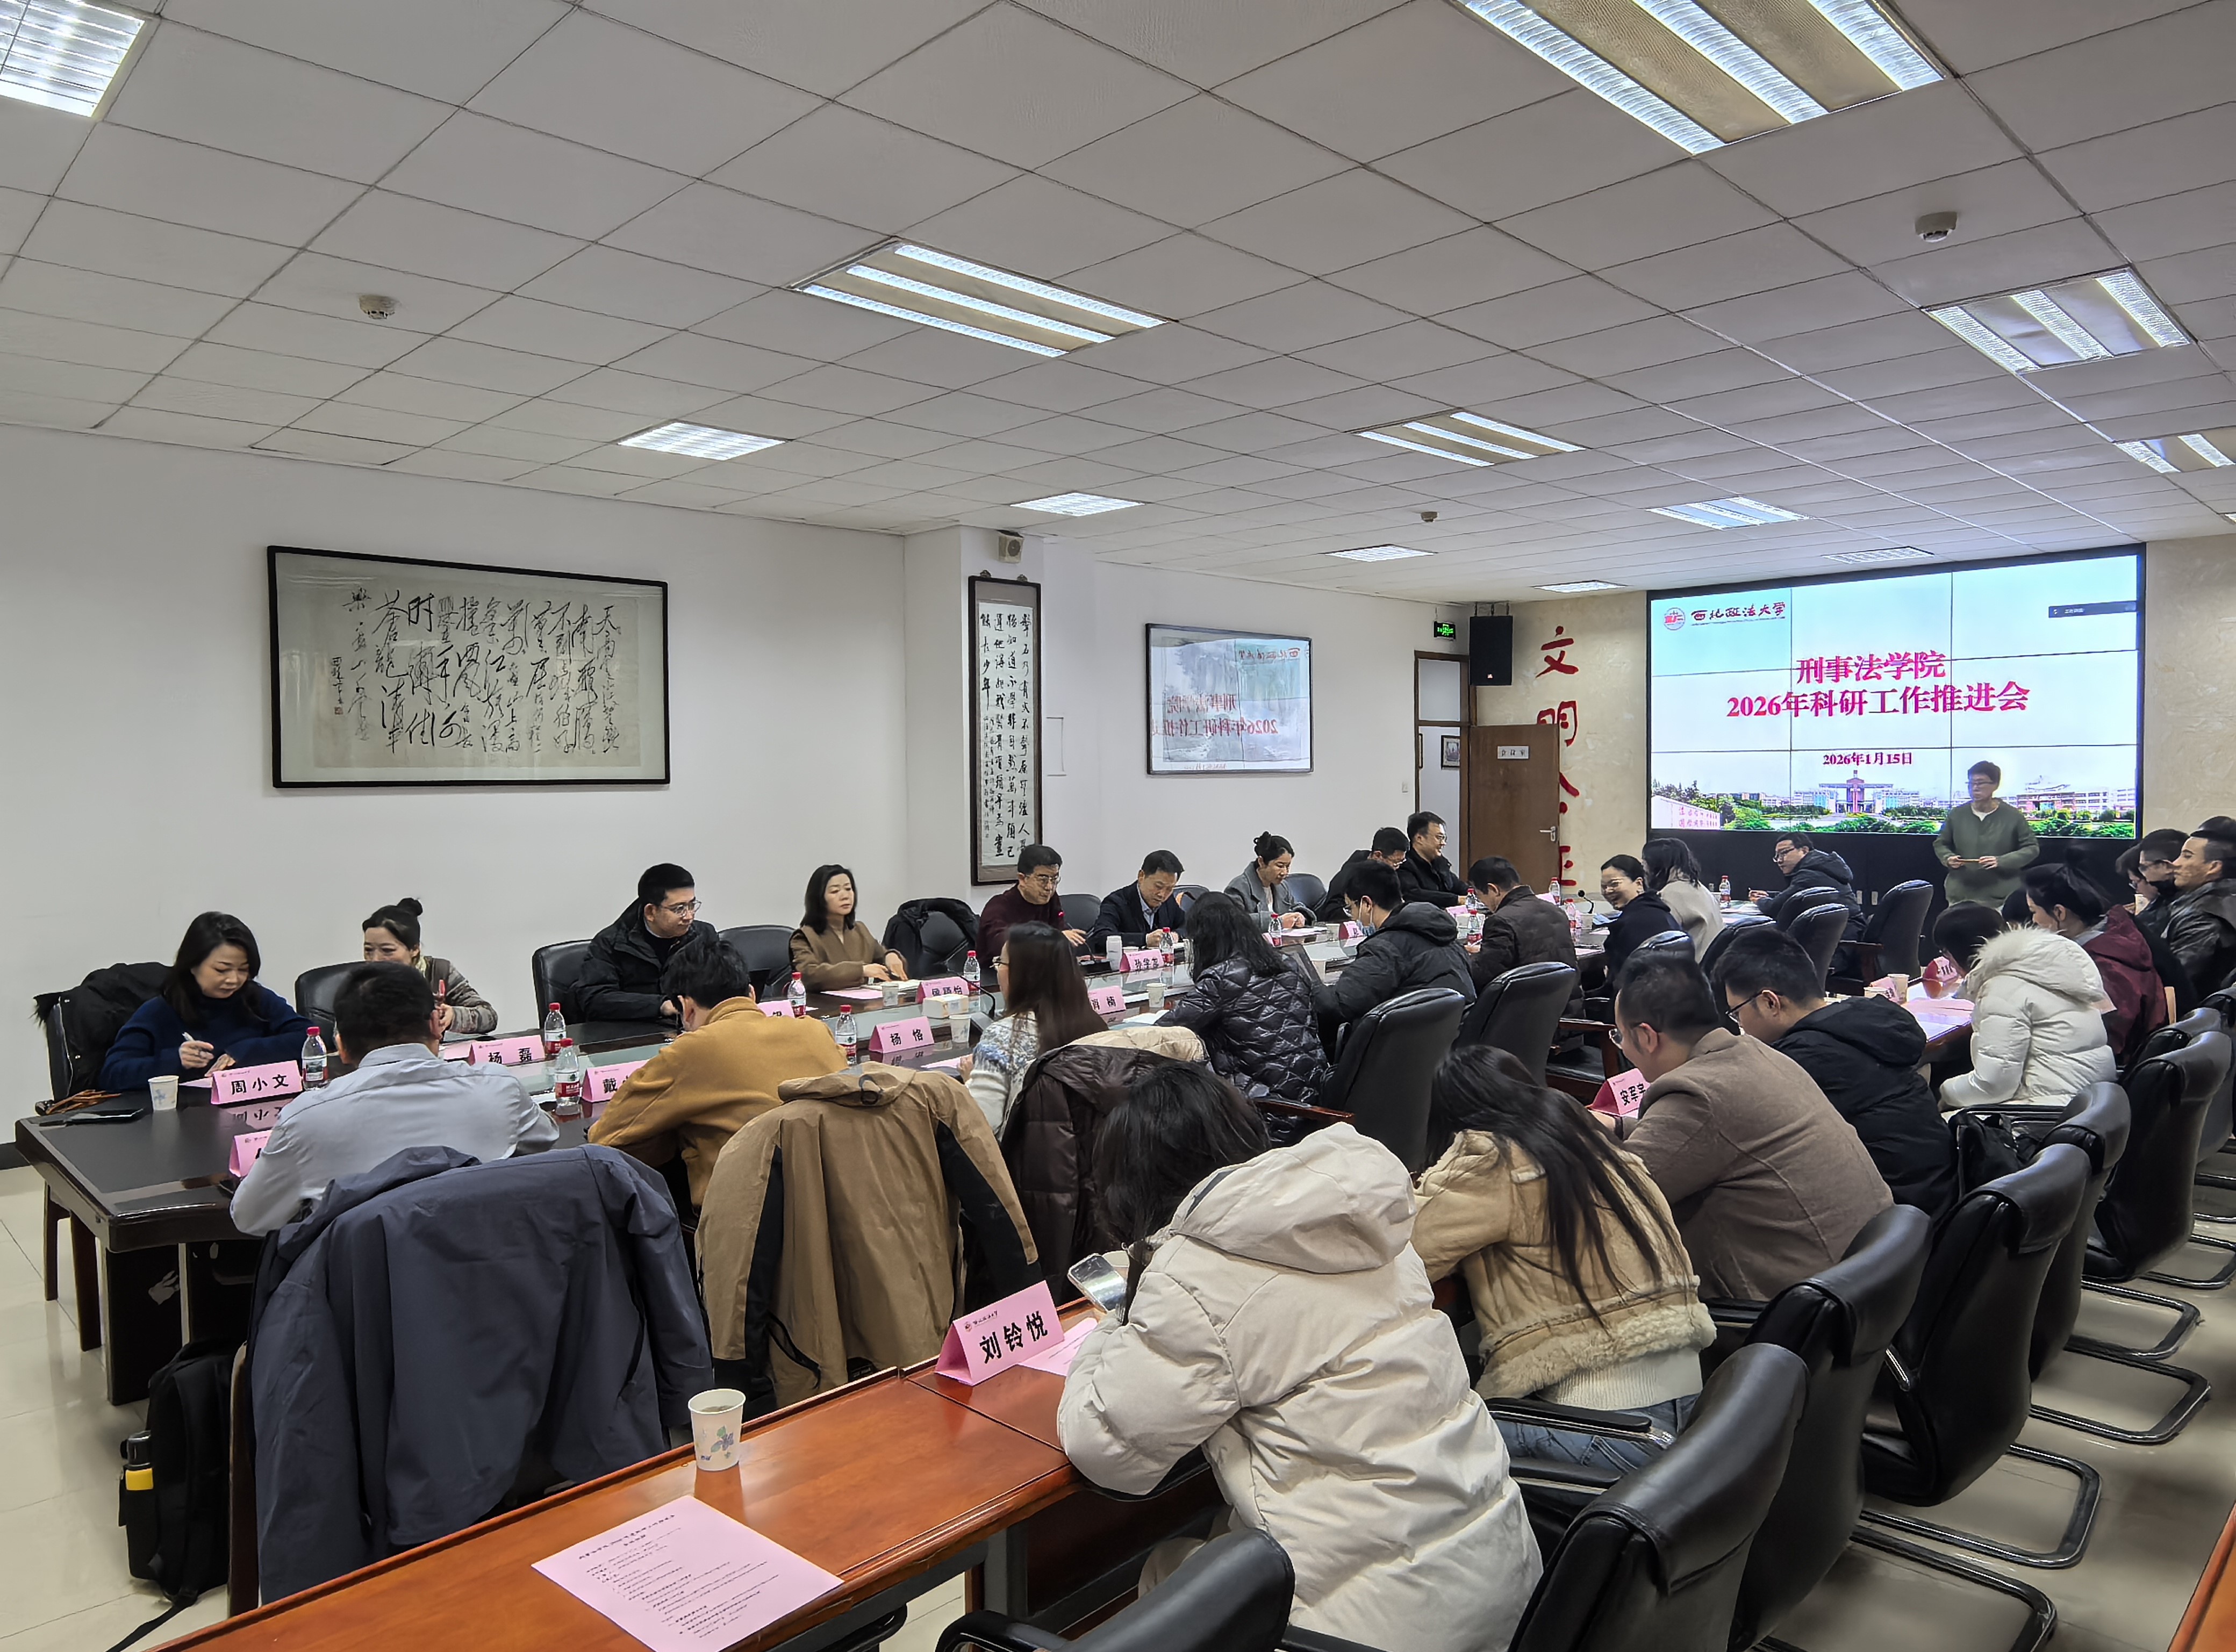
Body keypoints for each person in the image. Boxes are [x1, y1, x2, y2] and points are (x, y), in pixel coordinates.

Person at [1058, 1064, 1542, 1652]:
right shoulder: (1369, 1223)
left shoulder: (1196, 1274)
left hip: (1373, 1633)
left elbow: (1106, 1448)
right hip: (1506, 1584)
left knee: (1166, 1574)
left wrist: (1110, 1327)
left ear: (1128, 1185)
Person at [1413, 1047, 1713, 1471]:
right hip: (1688, 1413)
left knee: (1411, 1435)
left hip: (1608, 1428)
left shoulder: (1493, 1157)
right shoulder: (1600, 1147)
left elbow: (1406, 1249)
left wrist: (1439, 1170)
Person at [1612, 954, 1891, 1302]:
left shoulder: (1696, 1094)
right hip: (1865, 1281)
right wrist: (1618, 1126)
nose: (1622, 1046)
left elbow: (1612, 1197)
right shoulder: (1755, 1053)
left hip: (1791, 1313)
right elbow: (1702, 1140)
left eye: (1619, 1036)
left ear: (1646, 1037)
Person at [229, 963, 558, 1236]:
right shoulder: (497, 1089)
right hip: (487, 1280)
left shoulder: (306, 1120)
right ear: (436, 1025)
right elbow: (544, 1139)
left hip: (363, 1291)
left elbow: (250, 1218)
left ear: (341, 1047)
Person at [1712, 927, 1956, 1218]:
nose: (1739, 1024)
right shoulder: (1865, 1020)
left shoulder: (1795, 1062)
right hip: (1942, 1193)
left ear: (1770, 1003)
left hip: (1890, 1218)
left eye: (1737, 1012)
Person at [589, 936, 845, 1208]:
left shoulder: (691, 1051)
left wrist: (678, 1136)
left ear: (686, 1008)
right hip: (835, 1202)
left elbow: (606, 1137)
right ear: (752, 994)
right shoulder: (816, 1031)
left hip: (746, 1217)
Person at [1932, 903, 2117, 1109]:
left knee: (1933, 1120)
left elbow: (1993, 1086)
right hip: (2092, 1103)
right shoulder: (2043, 965)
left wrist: (1944, 1092)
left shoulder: (2003, 990)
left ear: (1956, 953)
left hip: (2046, 1111)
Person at [102, 912, 314, 1090]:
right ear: (193, 965)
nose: (234, 980)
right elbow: (112, 1074)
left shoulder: (255, 998)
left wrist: (245, 1051)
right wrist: (175, 1060)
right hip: (186, 1117)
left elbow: (309, 1039)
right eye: (221, 970)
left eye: (243, 970)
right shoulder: (160, 1011)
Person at [1157, 892, 1331, 1102]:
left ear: (1204, 940)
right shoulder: (1289, 963)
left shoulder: (1221, 978)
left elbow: (1161, 1033)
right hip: (1315, 1093)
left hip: (1263, 1109)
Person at [962, 922, 1107, 1134]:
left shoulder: (1002, 1035)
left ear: (1022, 974)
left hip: (1027, 1154)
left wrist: (969, 1083)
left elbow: (982, 1124)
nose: (997, 969)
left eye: (1000, 962)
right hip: (1092, 1150)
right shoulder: (1095, 1025)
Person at [1312, 860, 1475, 1045]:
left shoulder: (1385, 947)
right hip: (1453, 1044)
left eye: (1351, 908)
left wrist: (1309, 980)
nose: (1354, 917)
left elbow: (1337, 1006)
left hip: (1404, 1049)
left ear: (1367, 904)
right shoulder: (1443, 932)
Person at [2024, 864, 2169, 1068]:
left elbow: (2106, 1042)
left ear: (2059, 912)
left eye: (2034, 911)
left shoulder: (2101, 967)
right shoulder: (2119, 931)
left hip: (2111, 1071)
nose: (2034, 921)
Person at [580, 863, 718, 1023]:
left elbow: (721, 985)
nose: (689, 916)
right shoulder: (611, 943)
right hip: (635, 1031)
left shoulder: (704, 935)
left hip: (692, 1027)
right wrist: (660, 1005)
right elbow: (594, 1000)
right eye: (679, 909)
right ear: (651, 912)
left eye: (692, 905)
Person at [361, 897, 497, 1037]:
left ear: (415, 949)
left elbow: (489, 1016)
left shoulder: (439, 972)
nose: (375, 959)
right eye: (368, 950)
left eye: (387, 950)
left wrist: (453, 1016)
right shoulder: (359, 982)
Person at [789, 864, 911, 990]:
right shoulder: (804, 937)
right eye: (835, 891)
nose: (845, 896)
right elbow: (809, 975)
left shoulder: (860, 930)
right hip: (823, 1002)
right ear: (819, 898)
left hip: (862, 1000)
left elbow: (882, 956)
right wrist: (861, 970)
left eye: (848, 889)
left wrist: (890, 956)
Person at [1934, 762, 2040, 907]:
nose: (1975, 788)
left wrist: (2001, 861)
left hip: (2000, 897)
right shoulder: (1957, 814)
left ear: (1995, 785)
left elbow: (2031, 848)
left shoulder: (2013, 816)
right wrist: (1948, 858)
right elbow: (1941, 843)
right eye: (1971, 783)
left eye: (1980, 783)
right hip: (1960, 895)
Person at [1466, 856, 1579, 991]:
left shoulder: (1500, 921)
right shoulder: (1556, 911)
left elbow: (1483, 976)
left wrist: (1465, 958)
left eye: (1479, 895)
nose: (1481, 902)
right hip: (1566, 1001)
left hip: (1526, 1002)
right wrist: (1487, 951)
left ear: (1493, 890)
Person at [977, 844, 1086, 965]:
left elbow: (1060, 929)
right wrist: (1055, 938)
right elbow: (1005, 946)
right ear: (1022, 879)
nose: (1049, 887)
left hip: (1040, 970)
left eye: (1054, 880)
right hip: (999, 972)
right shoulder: (998, 907)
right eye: (1043, 880)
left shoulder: (1051, 899)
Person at [1587, 854, 1679, 988]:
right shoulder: (1661, 911)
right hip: (1672, 993)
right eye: (1604, 887)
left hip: (1640, 996)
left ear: (1639, 884)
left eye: (1614, 884)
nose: (1608, 891)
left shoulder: (1633, 923)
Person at [2165, 826, 2236, 996]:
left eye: (2187, 856)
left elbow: (2174, 982)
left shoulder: (2203, 917)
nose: (2176, 863)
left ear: (2214, 867)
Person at [1749, 832, 1862, 933]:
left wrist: (1760, 901)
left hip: (1842, 937)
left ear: (1804, 850)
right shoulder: (1821, 867)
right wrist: (1769, 895)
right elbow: (1793, 897)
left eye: (1783, 853)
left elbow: (1774, 909)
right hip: (1846, 930)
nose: (1779, 860)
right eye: (1777, 856)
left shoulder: (1810, 875)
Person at [1088, 850, 1187, 954]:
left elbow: (1189, 925)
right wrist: (1145, 940)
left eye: (1169, 889)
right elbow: (1101, 937)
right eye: (1158, 886)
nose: (1162, 894)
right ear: (1141, 876)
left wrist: (1176, 935)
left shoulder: (1168, 901)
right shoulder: (1116, 902)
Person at [1643, 838, 1723, 952]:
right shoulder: (1700, 888)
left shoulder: (1670, 895)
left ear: (1656, 865)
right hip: (1715, 959)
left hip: (1696, 962)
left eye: (1645, 863)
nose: (1644, 869)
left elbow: (1660, 942)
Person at [1224, 832, 1311, 930]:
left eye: (1288, 867)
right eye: (1280, 866)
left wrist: (1300, 915)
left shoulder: (1283, 886)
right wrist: (1278, 922)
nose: (1285, 872)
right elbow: (1235, 922)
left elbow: (1295, 906)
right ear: (1261, 862)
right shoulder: (1238, 888)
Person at [1321, 827, 1409, 922]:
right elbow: (1331, 911)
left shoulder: (1387, 872)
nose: (1397, 867)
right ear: (1378, 855)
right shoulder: (1352, 873)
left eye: (1401, 862)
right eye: (1395, 862)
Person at [1396, 810, 1466, 907]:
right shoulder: (1405, 865)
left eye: (1444, 838)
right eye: (1439, 838)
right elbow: (1413, 894)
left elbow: (1458, 886)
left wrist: (1476, 894)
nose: (1443, 843)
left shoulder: (1440, 863)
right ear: (1419, 838)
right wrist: (1456, 900)